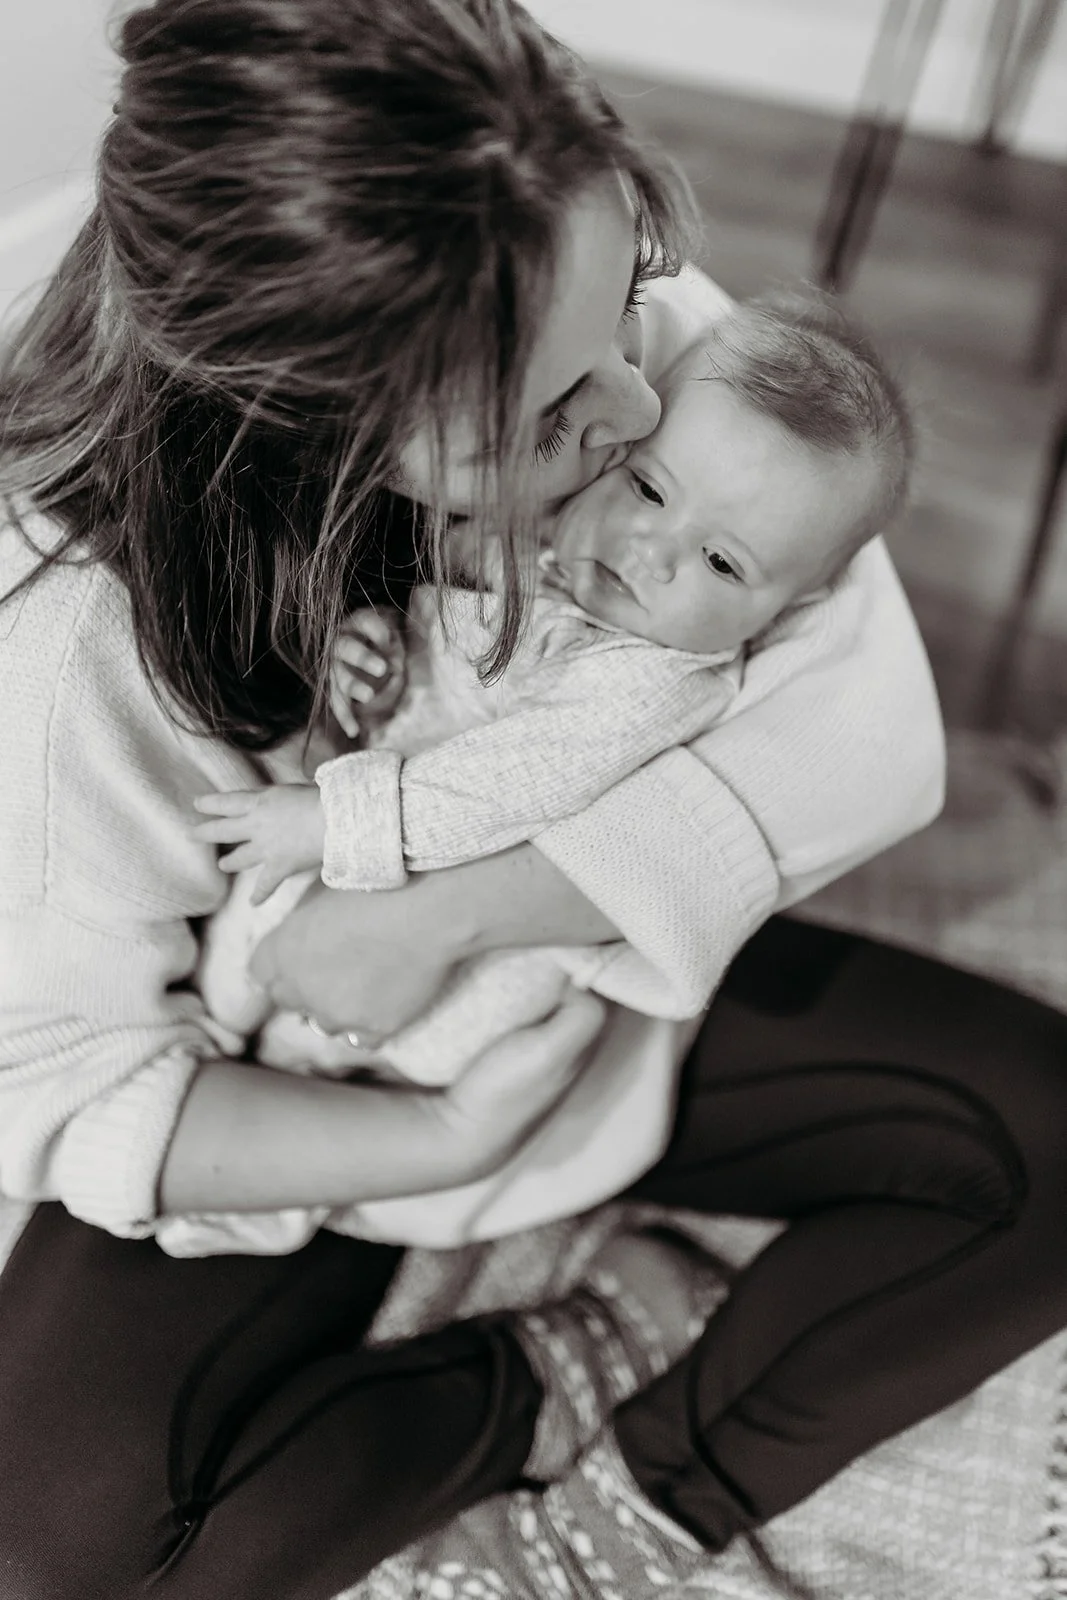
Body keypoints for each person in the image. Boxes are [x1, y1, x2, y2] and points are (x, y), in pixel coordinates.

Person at [0, 4, 1063, 1599]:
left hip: (569, 996)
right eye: (557, 416)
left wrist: (445, 909)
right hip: (289, 1071)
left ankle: (635, 1500)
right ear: (319, 428)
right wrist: (434, 1137)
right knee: (51, 1558)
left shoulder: (533, 252)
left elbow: (863, 727)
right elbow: (56, 1084)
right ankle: (549, 1360)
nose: (640, 412)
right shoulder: (76, 637)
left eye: (628, 302)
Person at [174, 295, 913, 1258]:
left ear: (790, 608)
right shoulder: (532, 539)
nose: (650, 551)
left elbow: (508, 781)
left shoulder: (652, 678)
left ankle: (280, 1189)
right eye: (649, 491)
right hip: (371, 835)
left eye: (722, 563)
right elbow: (430, 624)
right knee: (240, 952)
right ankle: (217, 1068)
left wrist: (330, 827)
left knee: (357, 1035)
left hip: (473, 960)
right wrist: (370, 653)